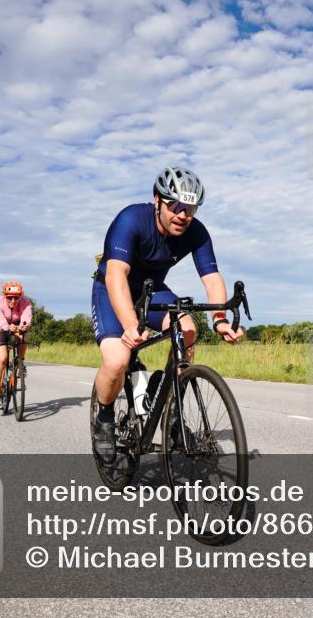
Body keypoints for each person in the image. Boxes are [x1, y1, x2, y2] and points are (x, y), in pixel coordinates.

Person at [90, 166, 243, 465]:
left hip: (153, 292)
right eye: (175, 206)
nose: (183, 215)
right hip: (111, 290)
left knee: (187, 330)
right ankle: (104, 418)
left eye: (190, 208)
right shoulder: (131, 219)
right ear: (157, 200)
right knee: (118, 360)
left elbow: (212, 277)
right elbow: (116, 274)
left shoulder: (196, 232)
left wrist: (220, 320)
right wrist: (131, 325)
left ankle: (169, 405)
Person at [0, 281, 33, 410]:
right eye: (9, 297)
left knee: (25, 336)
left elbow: (27, 317)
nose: (13, 300)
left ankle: (20, 362)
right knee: (2, 358)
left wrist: (24, 326)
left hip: (17, 326)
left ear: (20, 296)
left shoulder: (26, 303)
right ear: (4, 296)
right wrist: (8, 327)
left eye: (16, 297)